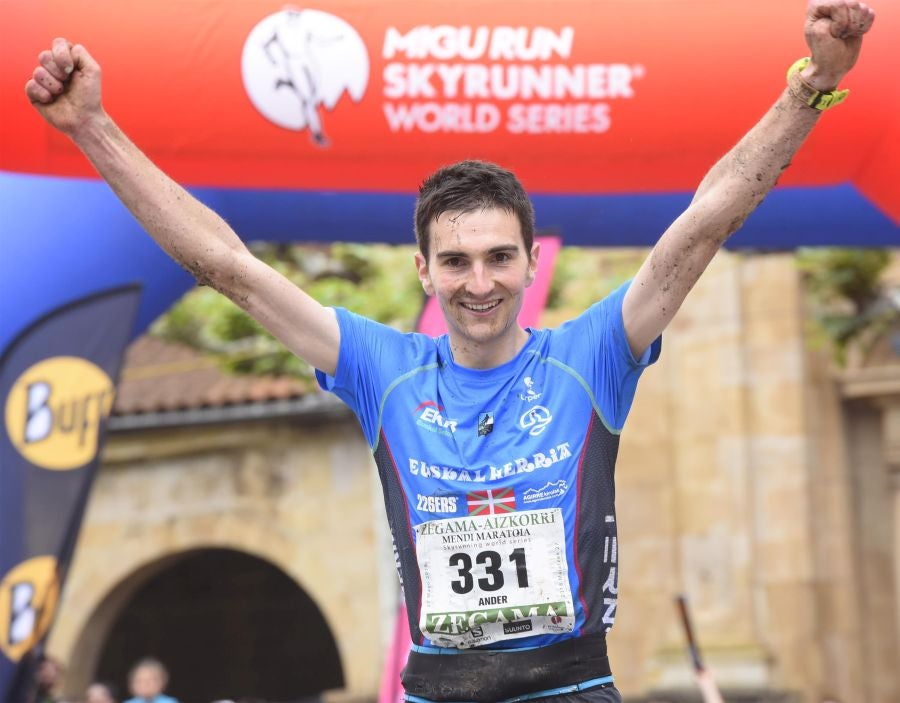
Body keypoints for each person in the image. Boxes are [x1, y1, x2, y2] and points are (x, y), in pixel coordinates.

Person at [24, 2, 874, 701]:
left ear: (531, 262)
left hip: (570, 687)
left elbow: (706, 222)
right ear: (424, 270)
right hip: (435, 688)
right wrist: (93, 127)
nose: (481, 282)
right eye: (458, 261)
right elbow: (227, 266)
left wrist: (813, 87)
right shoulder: (380, 368)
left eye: (501, 256)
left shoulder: (593, 354)